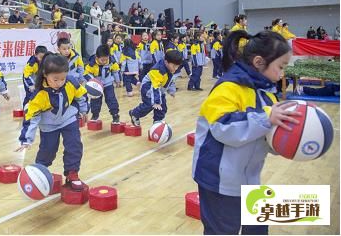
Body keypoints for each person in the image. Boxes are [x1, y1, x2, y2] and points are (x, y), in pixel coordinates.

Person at [192, 30, 301, 235]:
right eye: (280, 67)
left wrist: (292, 137)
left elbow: (268, 136)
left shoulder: (267, 93)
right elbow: (223, 127)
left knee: (258, 229)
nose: (282, 74)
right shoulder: (228, 87)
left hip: (249, 177)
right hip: (218, 180)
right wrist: (267, 118)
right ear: (259, 62)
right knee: (222, 231)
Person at [16, 53, 89, 191]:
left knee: (74, 145)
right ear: (45, 74)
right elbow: (31, 117)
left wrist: (84, 110)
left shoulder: (71, 82)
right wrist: (27, 139)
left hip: (68, 119)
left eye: (62, 78)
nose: (60, 83)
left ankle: (72, 173)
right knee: (48, 149)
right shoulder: (39, 95)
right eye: (55, 79)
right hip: (48, 126)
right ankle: (39, 171)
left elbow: (81, 95)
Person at [129, 49, 183, 127]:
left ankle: (157, 122)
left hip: (159, 89)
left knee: (162, 107)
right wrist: (156, 102)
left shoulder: (171, 68)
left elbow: (170, 80)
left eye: (177, 66)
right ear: (166, 62)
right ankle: (134, 113)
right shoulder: (158, 70)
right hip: (148, 87)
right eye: (174, 66)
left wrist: (171, 90)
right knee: (150, 104)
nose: (175, 68)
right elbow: (155, 87)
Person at [84, 45, 121, 123]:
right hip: (96, 86)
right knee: (95, 100)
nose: (104, 61)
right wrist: (92, 80)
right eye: (102, 60)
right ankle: (95, 115)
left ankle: (115, 114)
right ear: (97, 57)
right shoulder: (92, 63)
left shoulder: (111, 61)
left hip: (108, 84)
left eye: (106, 59)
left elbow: (115, 71)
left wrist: (118, 81)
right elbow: (86, 73)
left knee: (111, 99)